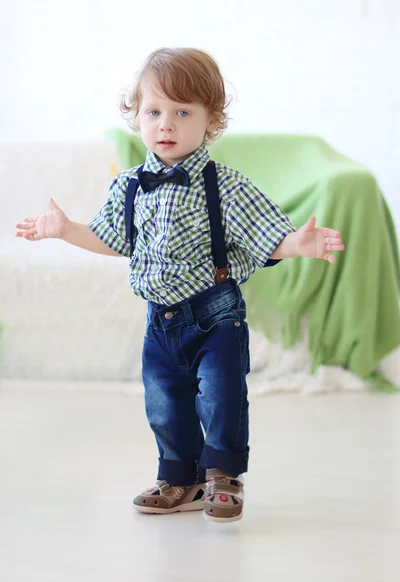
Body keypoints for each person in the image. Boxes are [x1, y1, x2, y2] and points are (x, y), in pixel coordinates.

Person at [15, 47, 344, 524]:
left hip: (215, 315)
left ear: (211, 122)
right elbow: (114, 240)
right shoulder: (129, 185)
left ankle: (222, 475)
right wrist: (66, 230)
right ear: (137, 116)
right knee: (164, 402)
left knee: (221, 394)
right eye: (154, 112)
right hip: (160, 321)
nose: (165, 125)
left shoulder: (223, 184)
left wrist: (298, 243)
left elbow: (263, 235)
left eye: (182, 112)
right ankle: (180, 480)